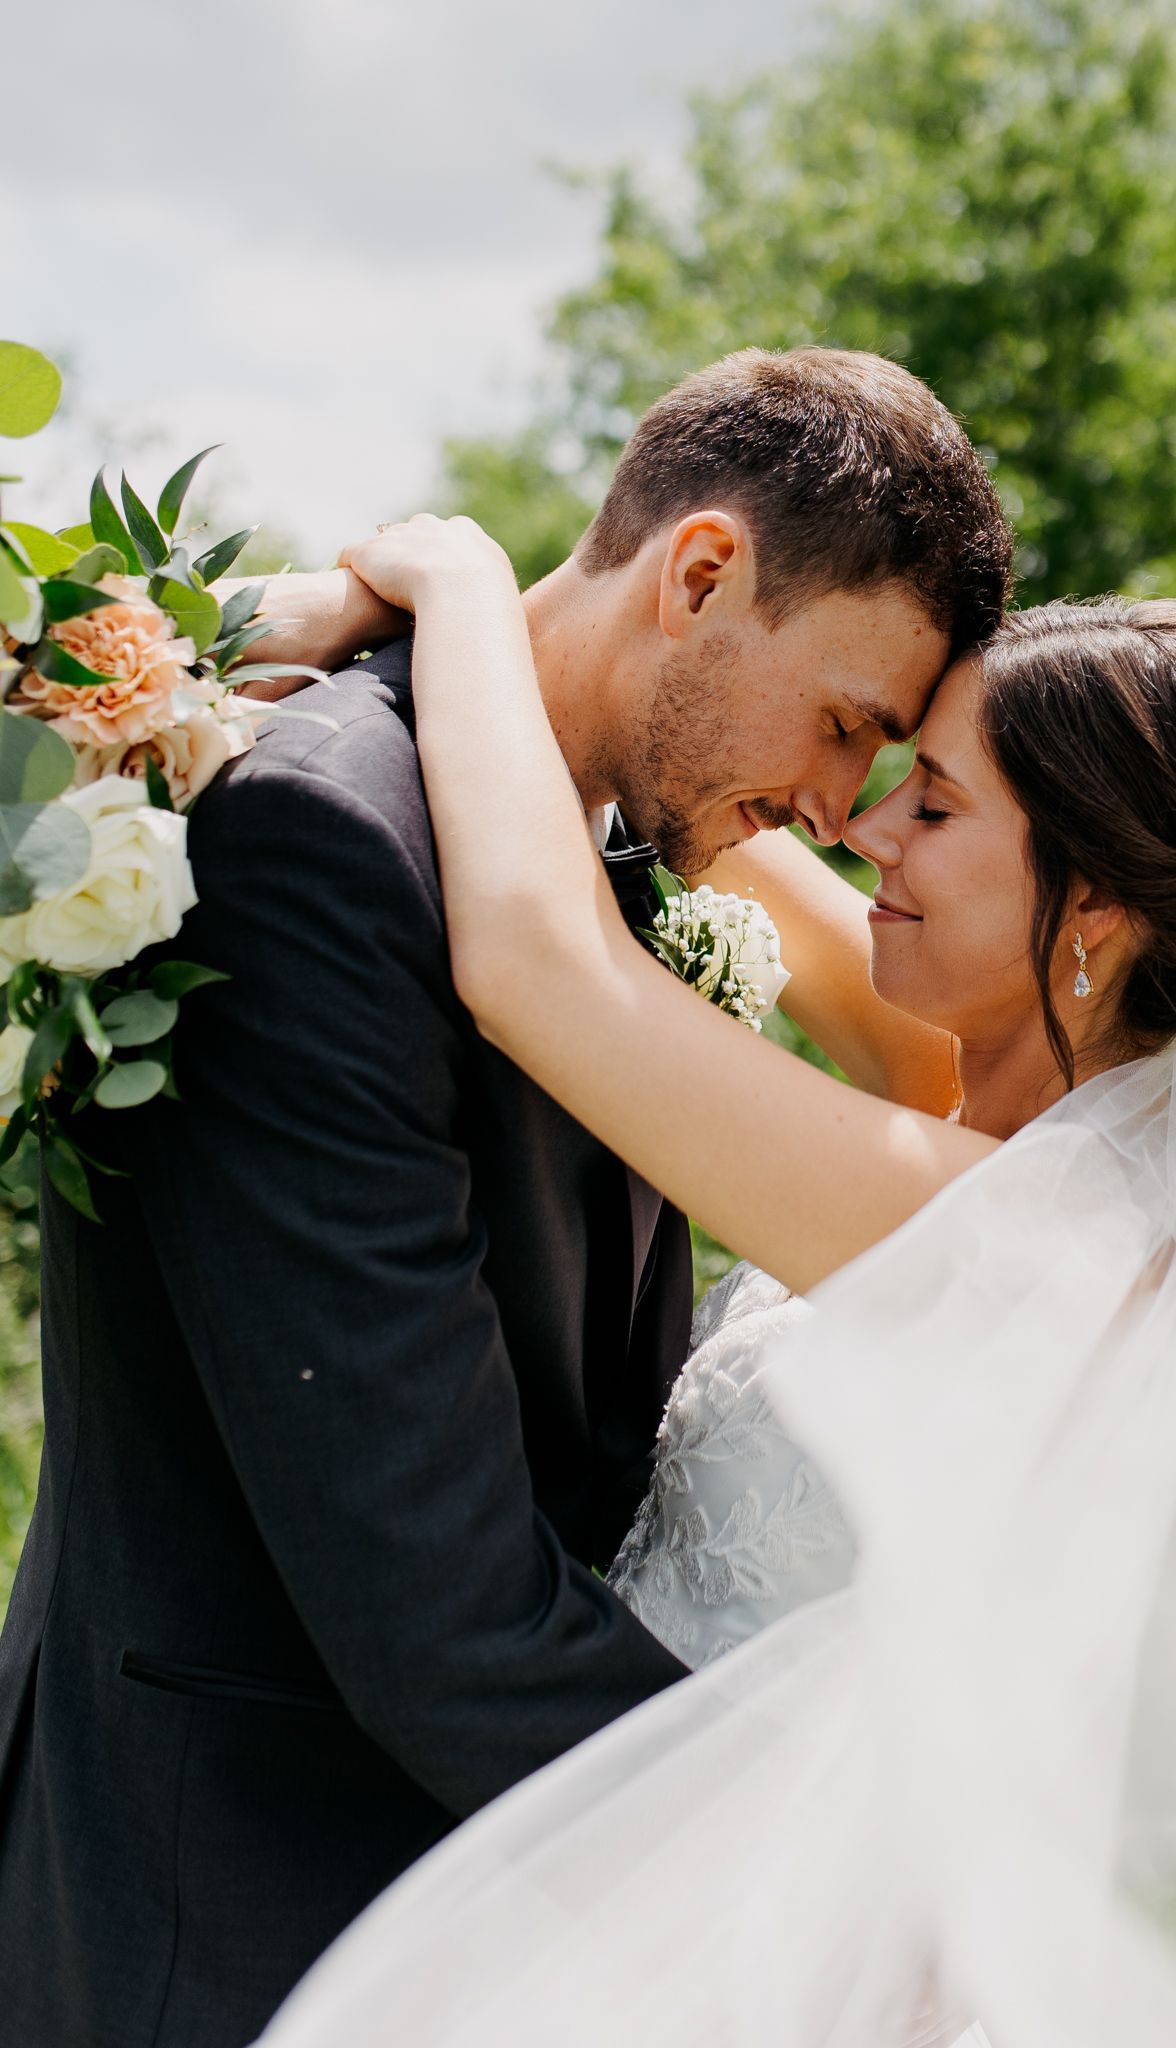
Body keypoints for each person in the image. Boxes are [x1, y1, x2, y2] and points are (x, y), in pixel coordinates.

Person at [253, 516, 1176, 2047]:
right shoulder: (983, 1110)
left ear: (1093, 908)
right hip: (648, 1896)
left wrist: (456, 579)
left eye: (932, 802)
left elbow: (539, 965)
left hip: (749, 1966)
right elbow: (702, 795)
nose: (863, 829)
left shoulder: (1049, 1248)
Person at [0, 349, 1011, 2048]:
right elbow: (436, 1604)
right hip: (229, 1915)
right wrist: (822, 1894)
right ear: (700, 574)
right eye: (846, 725)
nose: (839, 813)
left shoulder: (592, 860)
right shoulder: (323, 837)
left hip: (474, 1909)